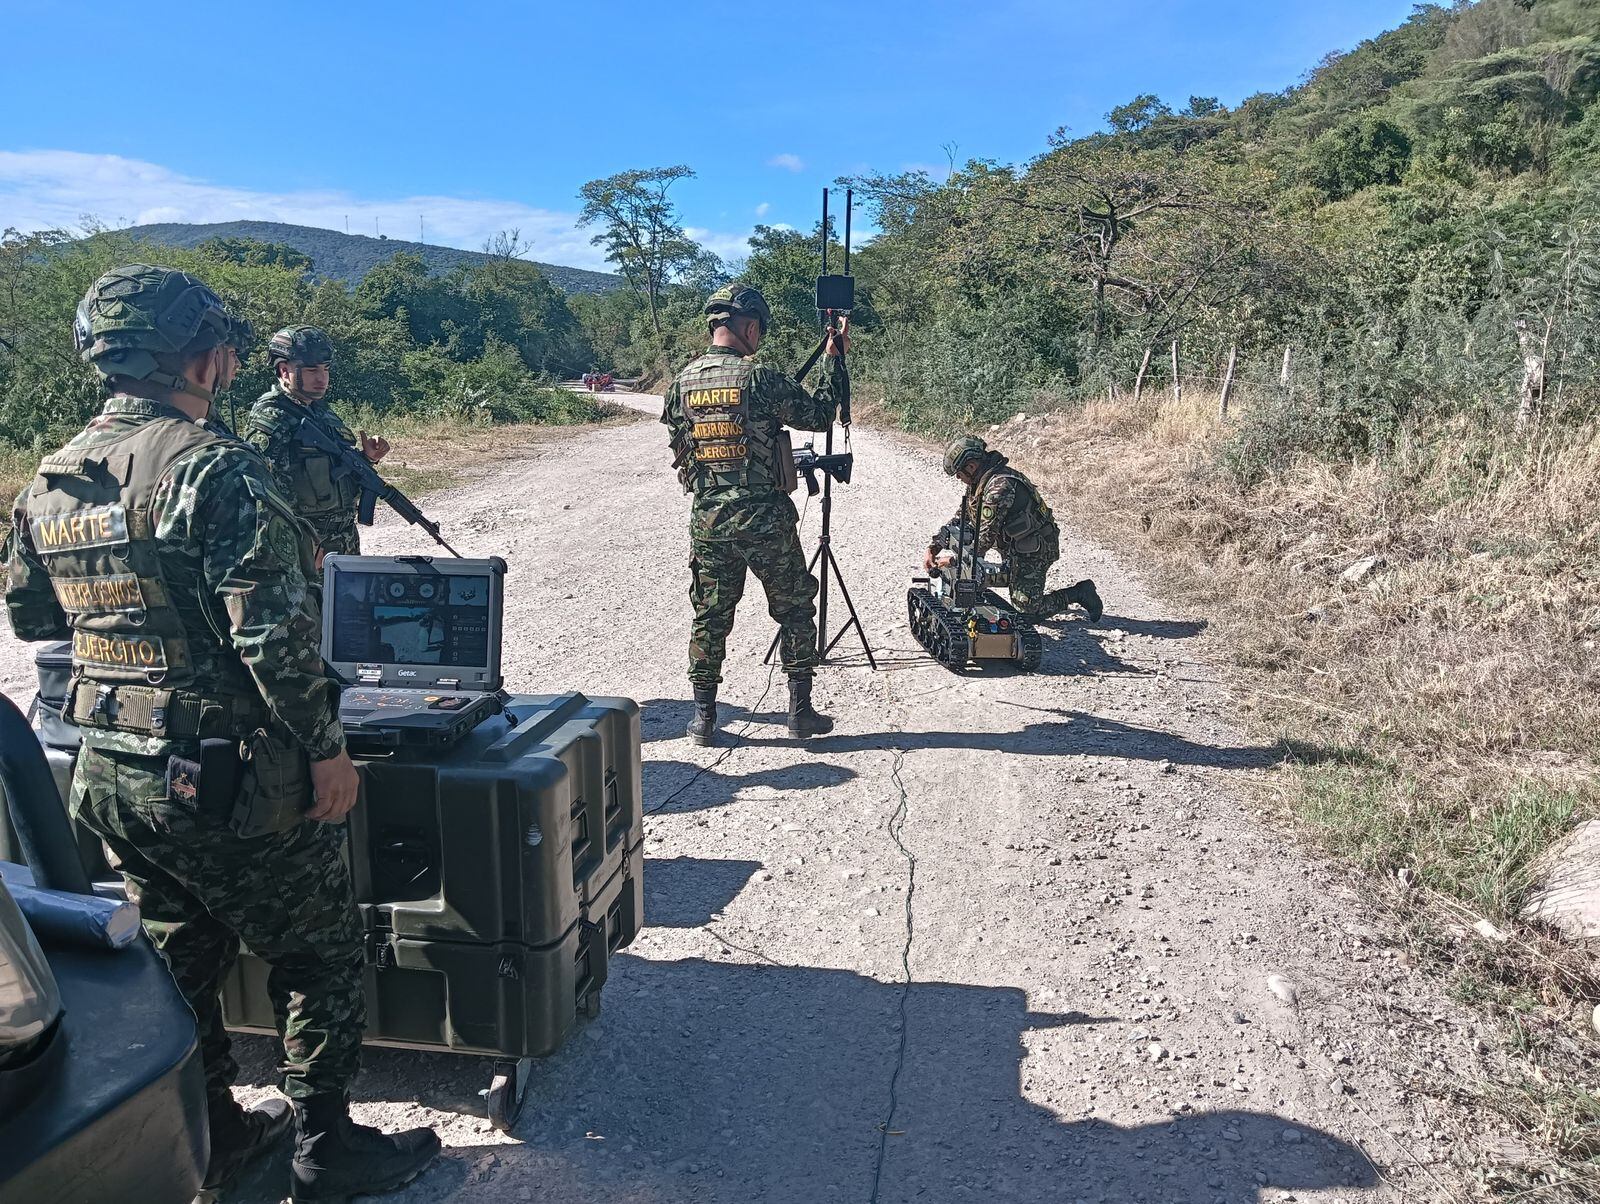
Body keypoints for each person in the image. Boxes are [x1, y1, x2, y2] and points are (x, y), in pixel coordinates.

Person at [2, 265, 440, 1200]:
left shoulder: (52, 475)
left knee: (174, 949)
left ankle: (218, 1130)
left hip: (112, 770)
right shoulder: (212, 464)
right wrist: (327, 751)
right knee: (318, 950)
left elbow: (34, 619)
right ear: (201, 355)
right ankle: (327, 1151)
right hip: (230, 775)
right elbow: (274, 637)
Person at [662, 282, 847, 744]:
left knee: (710, 613)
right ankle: (800, 713)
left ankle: (704, 718)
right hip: (764, 520)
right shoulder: (760, 379)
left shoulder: (680, 383)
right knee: (794, 607)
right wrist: (831, 358)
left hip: (708, 521)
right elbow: (821, 414)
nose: (759, 339)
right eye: (759, 330)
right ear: (748, 326)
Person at [243, 324, 389, 561]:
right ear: (283, 371)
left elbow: (334, 476)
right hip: (307, 549)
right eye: (311, 370)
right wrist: (297, 542)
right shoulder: (272, 417)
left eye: (326, 369)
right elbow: (263, 492)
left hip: (343, 542)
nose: (322, 378)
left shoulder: (321, 413)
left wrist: (367, 458)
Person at [926, 435, 1103, 621]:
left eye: (959, 474)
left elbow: (983, 541)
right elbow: (962, 518)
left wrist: (952, 561)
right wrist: (935, 546)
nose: (959, 479)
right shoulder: (980, 481)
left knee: (1027, 614)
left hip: (1035, 549)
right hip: (1014, 545)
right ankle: (1012, 578)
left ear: (971, 467)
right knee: (971, 573)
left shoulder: (999, 488)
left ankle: (1080, 593)